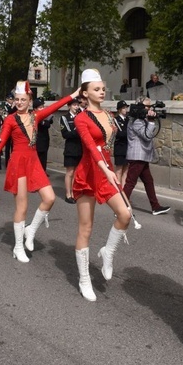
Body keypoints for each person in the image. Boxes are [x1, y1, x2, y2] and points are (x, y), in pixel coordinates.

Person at [0, 81, 80, 263]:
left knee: (49, 198)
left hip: (33, 162)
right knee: (22, 207)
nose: (19, 102)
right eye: (17, 99)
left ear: (29, 100)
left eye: (23, 99)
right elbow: (0, 141)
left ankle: (31, 229)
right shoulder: (11, 119)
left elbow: (56, 106)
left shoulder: (36, 116)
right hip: (18, 163)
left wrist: (73, 95)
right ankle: (18, 246)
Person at [72, 69, 132, 301]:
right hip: (89, 173)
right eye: (96, 89)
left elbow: (107, 145)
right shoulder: (81, 118)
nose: (102, 91)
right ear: (85, 93)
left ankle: (108, 251)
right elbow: (89, 145)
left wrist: (111, 169)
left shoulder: (109, 115)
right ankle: (84, 279)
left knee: (125, 215)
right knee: (86, 227)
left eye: (103, 88)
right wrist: (107, 170)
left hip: (106, 171)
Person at [122, 97, 170, 216]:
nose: (149, 108)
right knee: (130, 183)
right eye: (147, 106)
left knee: (148, 181)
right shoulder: (136, 121)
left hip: (142, 156)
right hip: (137, 156)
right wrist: (151, 121)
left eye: (150, 106)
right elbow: (147, 136)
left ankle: (155, 207)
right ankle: (121, 208)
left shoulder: (141, 119)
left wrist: (150, 119)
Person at [61, 98, 82, 203]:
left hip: (80, 147)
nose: (76, 107)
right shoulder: (64, 118)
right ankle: (68, 194)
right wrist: (78, 130)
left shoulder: (80, 116)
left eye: (77, 105)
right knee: (70, 172)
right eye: (74, 105)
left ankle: (74, 192)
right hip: (70, 148)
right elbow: (66, 134)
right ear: (69, 106)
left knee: (77, 172)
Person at [113, 100, 130, 189]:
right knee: (119, 170)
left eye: (126, 108)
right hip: (119, 147)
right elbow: (118, 134)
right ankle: (117, 189)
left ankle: (124, 190)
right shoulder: (115, 120)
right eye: (123, 108)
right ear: (119, 110)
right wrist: (127, 133)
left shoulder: (128, 119)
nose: (125, 110)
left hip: (127, 147)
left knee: (126, 170)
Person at [34, 97, 53, 172]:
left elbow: (50, 122)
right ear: (35, 109)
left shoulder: (45, 116)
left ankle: (43, 171)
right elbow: (45, 124)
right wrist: (46, 121)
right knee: (37, 158)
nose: (42, 108)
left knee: (44, 158)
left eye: (43, 107)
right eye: (40, 107)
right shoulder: (34, 116)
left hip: (45, 140)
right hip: (37, 140)